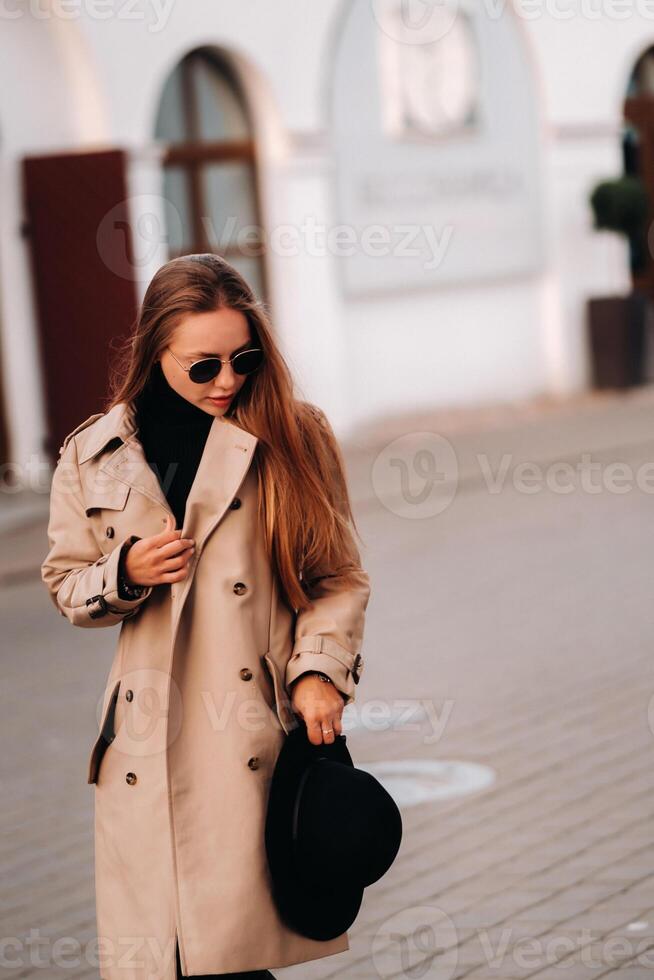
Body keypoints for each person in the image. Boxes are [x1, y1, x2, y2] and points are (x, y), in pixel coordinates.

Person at [41, 253, 371, 980]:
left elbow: (338, 578)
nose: (228, 381)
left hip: (245, 737)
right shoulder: (94, 455)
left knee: (231, 960)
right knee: (169, 962)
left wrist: (319, 673)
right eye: (203, 366)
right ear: (157, 349)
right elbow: (66, 585)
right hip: (144, 751)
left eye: (243, 359)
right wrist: (124, 574)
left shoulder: (293, 435)